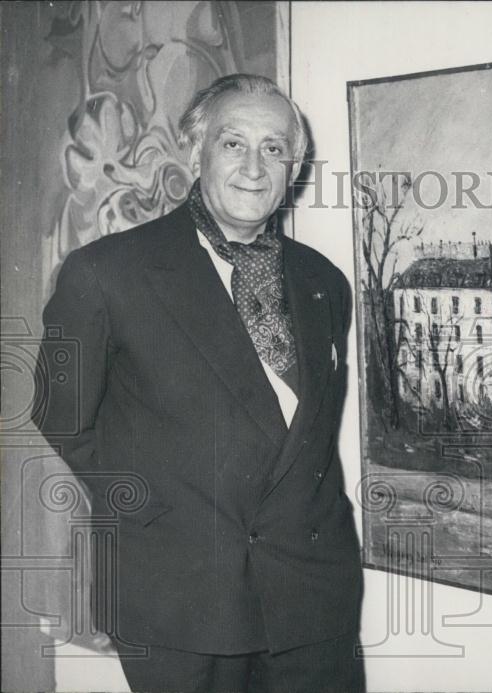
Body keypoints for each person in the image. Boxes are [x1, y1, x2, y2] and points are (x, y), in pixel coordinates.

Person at [32, 74, 364, 692]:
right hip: (178, 597)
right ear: (195, 152)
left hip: (314, 601)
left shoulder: (326, 283)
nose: (255, 167)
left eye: (274, 148)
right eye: (233, 143)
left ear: (293, 167)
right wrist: (157, 511)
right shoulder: (105, 273)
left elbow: (303, 438)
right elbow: (60, 415)